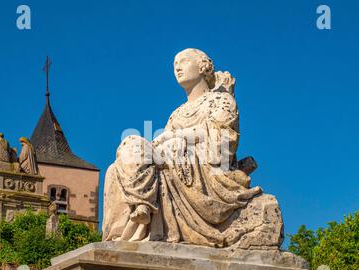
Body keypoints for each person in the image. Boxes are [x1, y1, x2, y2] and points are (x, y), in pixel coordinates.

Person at [103, 49, 262, 247]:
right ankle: (129, 223)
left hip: (202, 166)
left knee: (136, 145)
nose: (177, 67)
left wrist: (175, 136)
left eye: (184, 61)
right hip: (174, 157)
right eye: (174, 64)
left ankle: (143, 205)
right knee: (119, 162)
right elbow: (162, 143)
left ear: (203, 67)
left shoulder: (221, 101)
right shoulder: (177, 113)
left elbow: (221, 139)